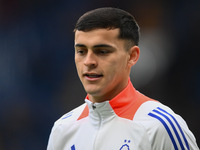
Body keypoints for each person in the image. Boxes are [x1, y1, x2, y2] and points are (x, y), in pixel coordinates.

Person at [47, 7, 199, 150]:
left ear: (132, 56)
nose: (88, 61)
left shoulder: (160, 125)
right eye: (81, 51)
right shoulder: (62, 129)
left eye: (102, 51)